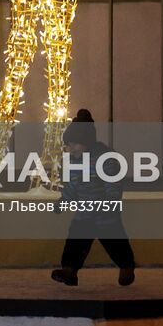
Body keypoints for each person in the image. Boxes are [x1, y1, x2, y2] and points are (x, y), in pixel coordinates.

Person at [50, 108, 136, 287]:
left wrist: (110, 203)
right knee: (75, 241)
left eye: (76, 144)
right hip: (84, 212)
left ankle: (126, 267)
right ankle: (69, 270)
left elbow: (113, 185)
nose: (71, 148)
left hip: (105, 213)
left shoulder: (106, 159)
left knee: (115, 242)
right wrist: (64, 201)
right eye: (69, 144)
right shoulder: (72, 162)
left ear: (88, 142)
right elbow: (72, 186)